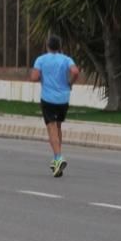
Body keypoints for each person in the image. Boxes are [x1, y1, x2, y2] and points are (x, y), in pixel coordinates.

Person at [31, 35, 79, 177]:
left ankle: (58, 157)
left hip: (48, 98)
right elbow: (75, 71)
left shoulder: (41, 59)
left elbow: (34, 77)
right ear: (60, 46)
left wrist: (42, 77)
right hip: (63, 98)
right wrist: (70, 82)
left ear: (47, 46)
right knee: (58, 126)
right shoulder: (66, 59)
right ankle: (56, 157)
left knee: (51, 127)